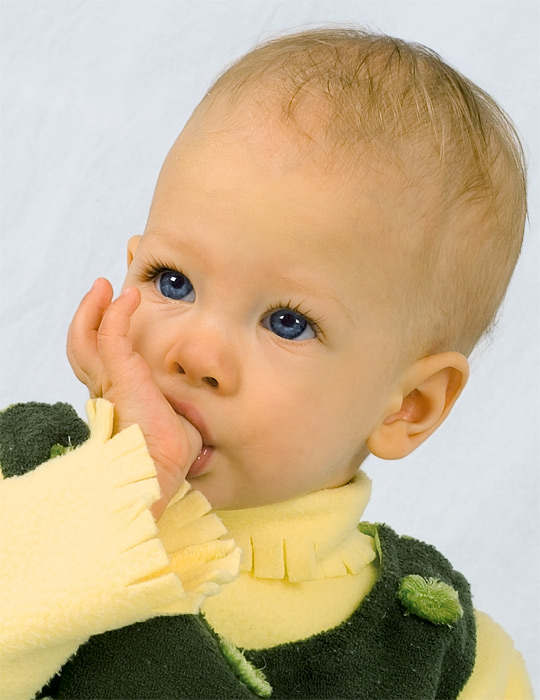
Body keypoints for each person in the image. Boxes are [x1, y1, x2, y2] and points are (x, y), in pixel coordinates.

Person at [0, 27, 533, 700]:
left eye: (288, 322)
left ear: (408, 406)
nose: (196, 354)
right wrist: (124, 494)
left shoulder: (447, 662)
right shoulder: (22, 478)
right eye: (173, 282)